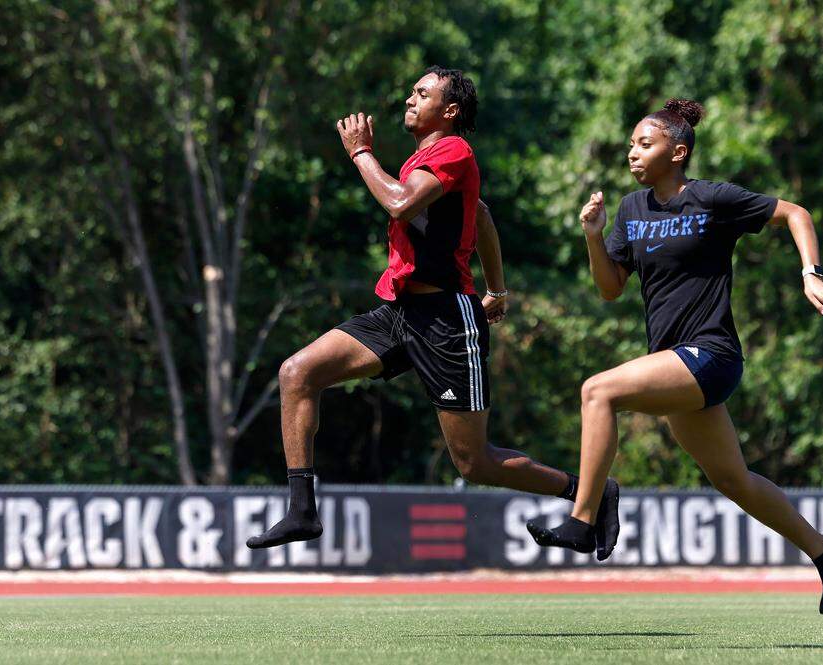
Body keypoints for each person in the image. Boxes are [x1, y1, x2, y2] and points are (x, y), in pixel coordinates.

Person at [247, 66, 617, 554]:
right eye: (411, 92)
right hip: (399, 312)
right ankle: (301, 510)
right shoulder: (424, 158)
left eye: (423, 93)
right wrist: (498, 290)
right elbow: (479, 214)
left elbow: (399, 204)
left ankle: (588, 493)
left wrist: (360, 153)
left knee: (474, 464)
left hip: (445, 320)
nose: (410, 99)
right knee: (297, 373)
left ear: (451, 110)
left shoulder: (454, 150)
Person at [526, 99, 823, 614]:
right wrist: (592, 235)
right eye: (631, 144)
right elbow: (610, 288)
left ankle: (584, 520)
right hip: (675, 363)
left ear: (677, 152)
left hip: (712, 354)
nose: (632, 153)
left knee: (597, 390)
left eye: (644, 144)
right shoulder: (632, 210)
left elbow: (795, 214)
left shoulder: (712, 198)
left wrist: (811, 272)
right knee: (733, 481)